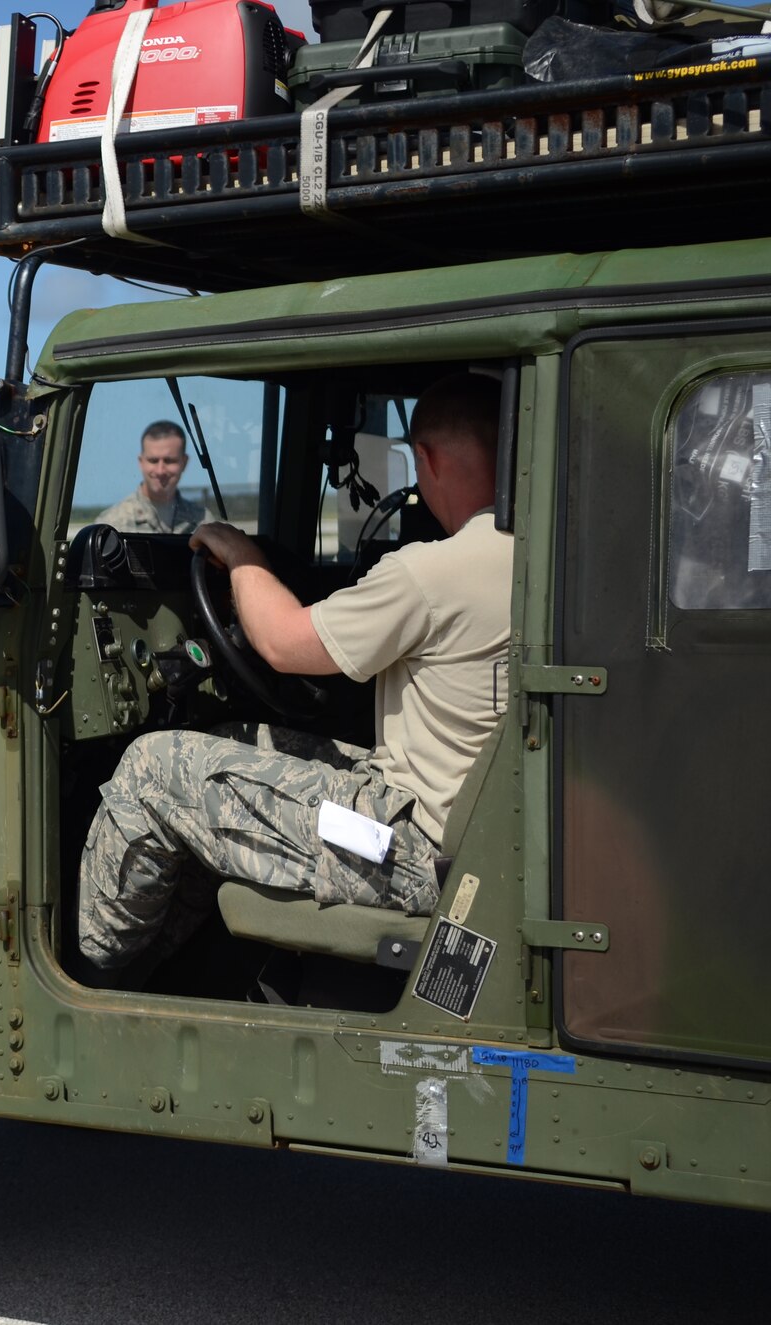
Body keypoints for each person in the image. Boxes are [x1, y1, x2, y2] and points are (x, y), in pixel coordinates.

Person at [77, 374, 511, 980]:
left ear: (428, 459)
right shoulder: (535, 553)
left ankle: (90, 976)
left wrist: (241, 555)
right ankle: (182, 968)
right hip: (470, 834)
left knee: (151, 768)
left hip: (407, 850)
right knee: (233, 739)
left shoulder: (436, 571)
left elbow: (281, 642)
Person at [97, 420, 206, 534]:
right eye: (153, 461)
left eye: (169, 461)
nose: (160, 471)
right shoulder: (112, 526)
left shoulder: (204, 523)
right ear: (141, 462)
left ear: (184, 462)